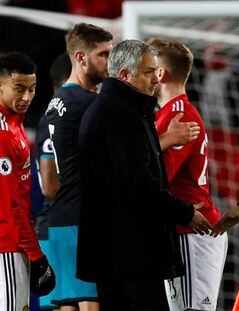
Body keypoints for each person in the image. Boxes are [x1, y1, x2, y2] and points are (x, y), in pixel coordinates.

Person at [77, 39, 212, 311]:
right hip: (130, 253)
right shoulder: (121, 115)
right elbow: (138, 184)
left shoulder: (117, 109)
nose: (156, 79)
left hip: (118, 251)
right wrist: (184, 212)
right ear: (125, 75)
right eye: (149, 72)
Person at [148, 38, 227, 311]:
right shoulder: (166, 115)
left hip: (193, 231)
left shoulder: (179, 116)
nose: (145, 75)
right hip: (181, 230)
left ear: (161, 73)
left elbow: (160, 175)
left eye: (149, 69)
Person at [44, 23, 113, 310]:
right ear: (81, 58)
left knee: (70, 304)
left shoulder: (57, 101)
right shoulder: (89, 103)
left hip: (60, 218)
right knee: (91, 303)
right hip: (83, 218)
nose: (109, 62)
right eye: (103, 55)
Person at [0, 52, 55, 310]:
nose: (26, 97)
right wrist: (36, 255)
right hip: (6, 246)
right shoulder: (4, 135)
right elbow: (10, 204)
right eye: (19, 88)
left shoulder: (16, 125)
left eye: (32, 90)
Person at [35, 52, 71, 310]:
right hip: (62, 227)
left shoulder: (52, 117)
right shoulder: (57, 118)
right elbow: (49, 187)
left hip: (54, 227)